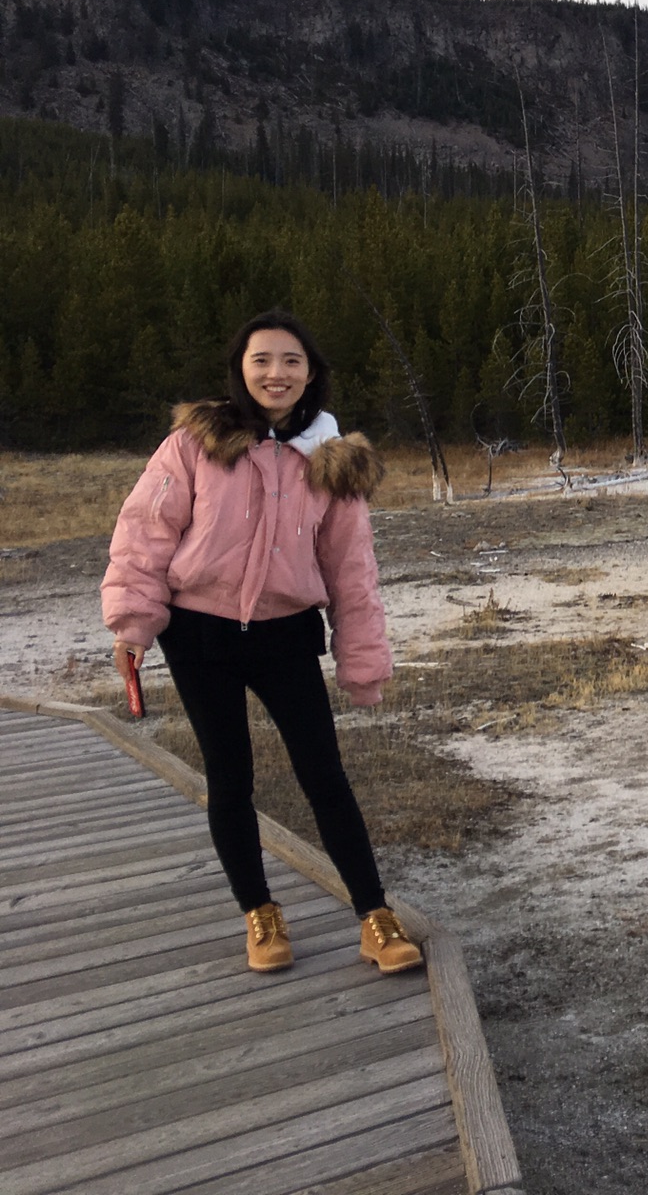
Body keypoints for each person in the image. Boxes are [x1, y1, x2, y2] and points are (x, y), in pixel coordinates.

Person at [102, 311, 422, 975]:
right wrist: (133, 624)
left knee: (324, 777)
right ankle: (260, 913)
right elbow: (145, 532)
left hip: (285, 636)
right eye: (262, 361)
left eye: (291, 362)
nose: (276, 374)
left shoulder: (333, 461)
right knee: (230, 777)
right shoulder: (198, 443)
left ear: (311, 375)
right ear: (241, 370)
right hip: (199, 636)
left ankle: (375, 917)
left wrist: (362, 660)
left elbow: (351, 572)